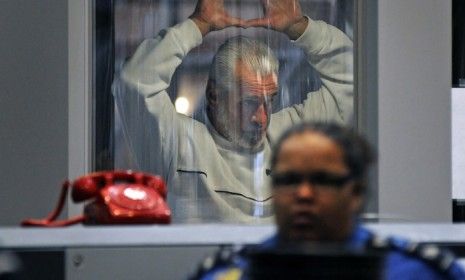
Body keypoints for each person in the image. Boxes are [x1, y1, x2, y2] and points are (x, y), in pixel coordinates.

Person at [115, 0, 353, 223]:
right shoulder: (179, 144)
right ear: (213, 96)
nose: (262, 118)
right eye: (249, 102)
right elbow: (134, 83)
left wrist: (301, 28)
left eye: (270, 101)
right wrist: (197, 26)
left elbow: (355, 80)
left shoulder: (290, 141)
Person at [191, 122, 465, 279]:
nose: (303, 194)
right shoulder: (231, 271)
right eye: (289, 180)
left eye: (322, 180)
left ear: (356, 193)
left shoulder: (417, 272)